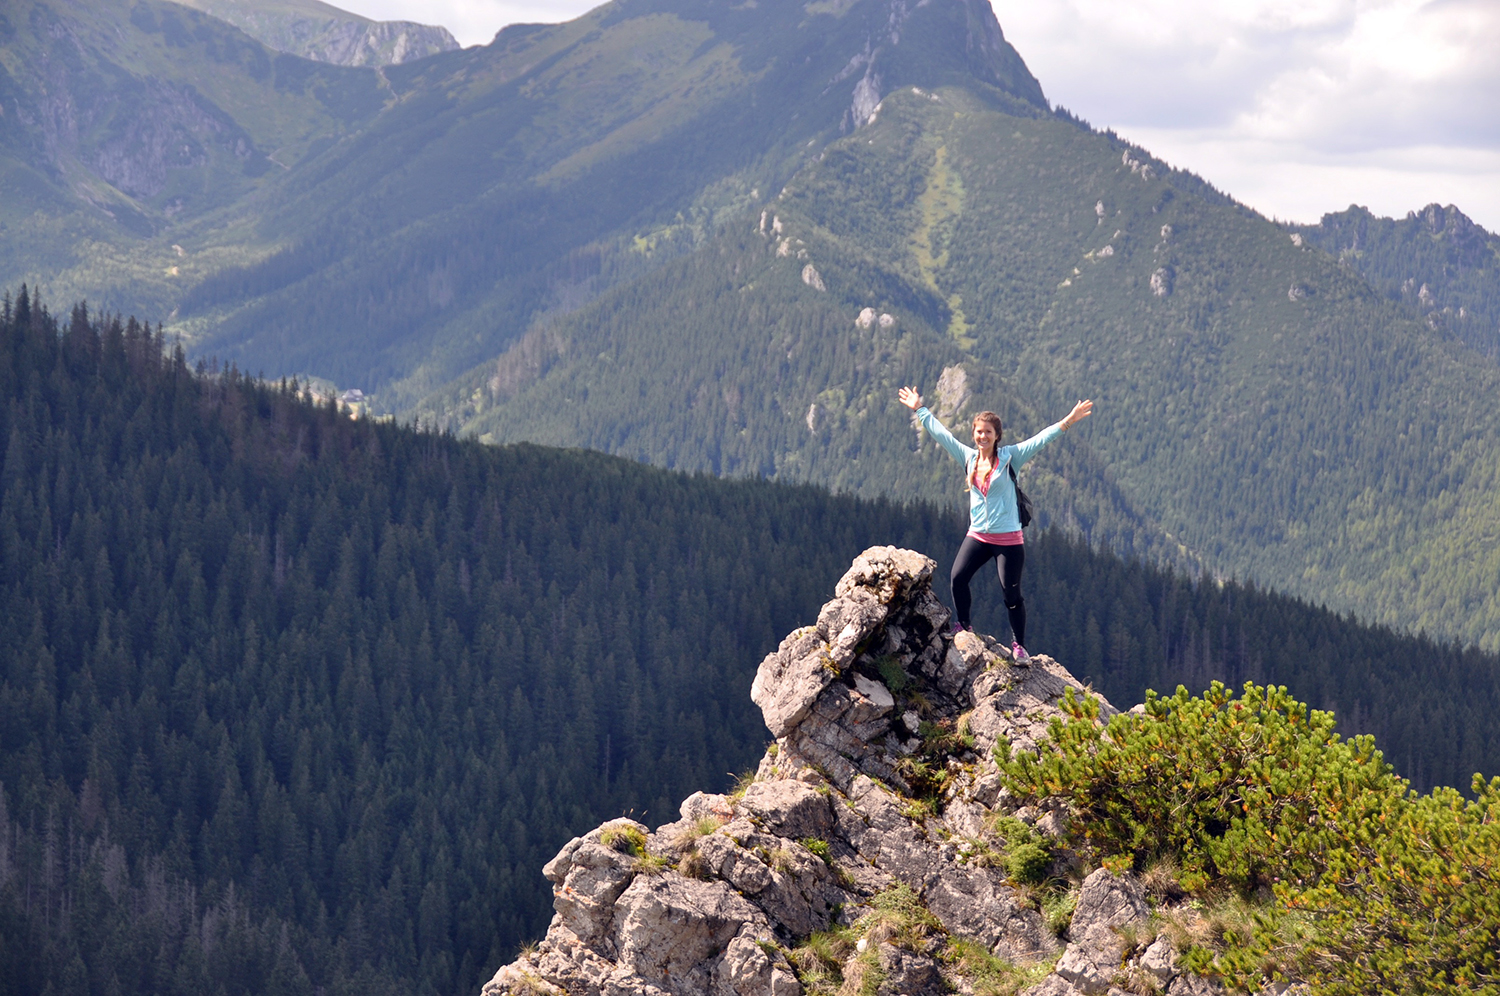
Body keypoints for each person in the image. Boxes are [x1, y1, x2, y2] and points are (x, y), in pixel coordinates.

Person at [898, 386, 1093, 661]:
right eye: (979, 431)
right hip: (977, 535)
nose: (982, 436)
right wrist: (920, 408)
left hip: (1008, 540)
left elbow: (1041, 439)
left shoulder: (1011, 457)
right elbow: (942, 435)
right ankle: (964, 626)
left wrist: (1069, 420)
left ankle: (1019, 647)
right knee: (957, 578)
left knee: (1011, 594)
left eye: (988, 432)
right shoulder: (968, 458)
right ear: (974, 434)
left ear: (996, 436)